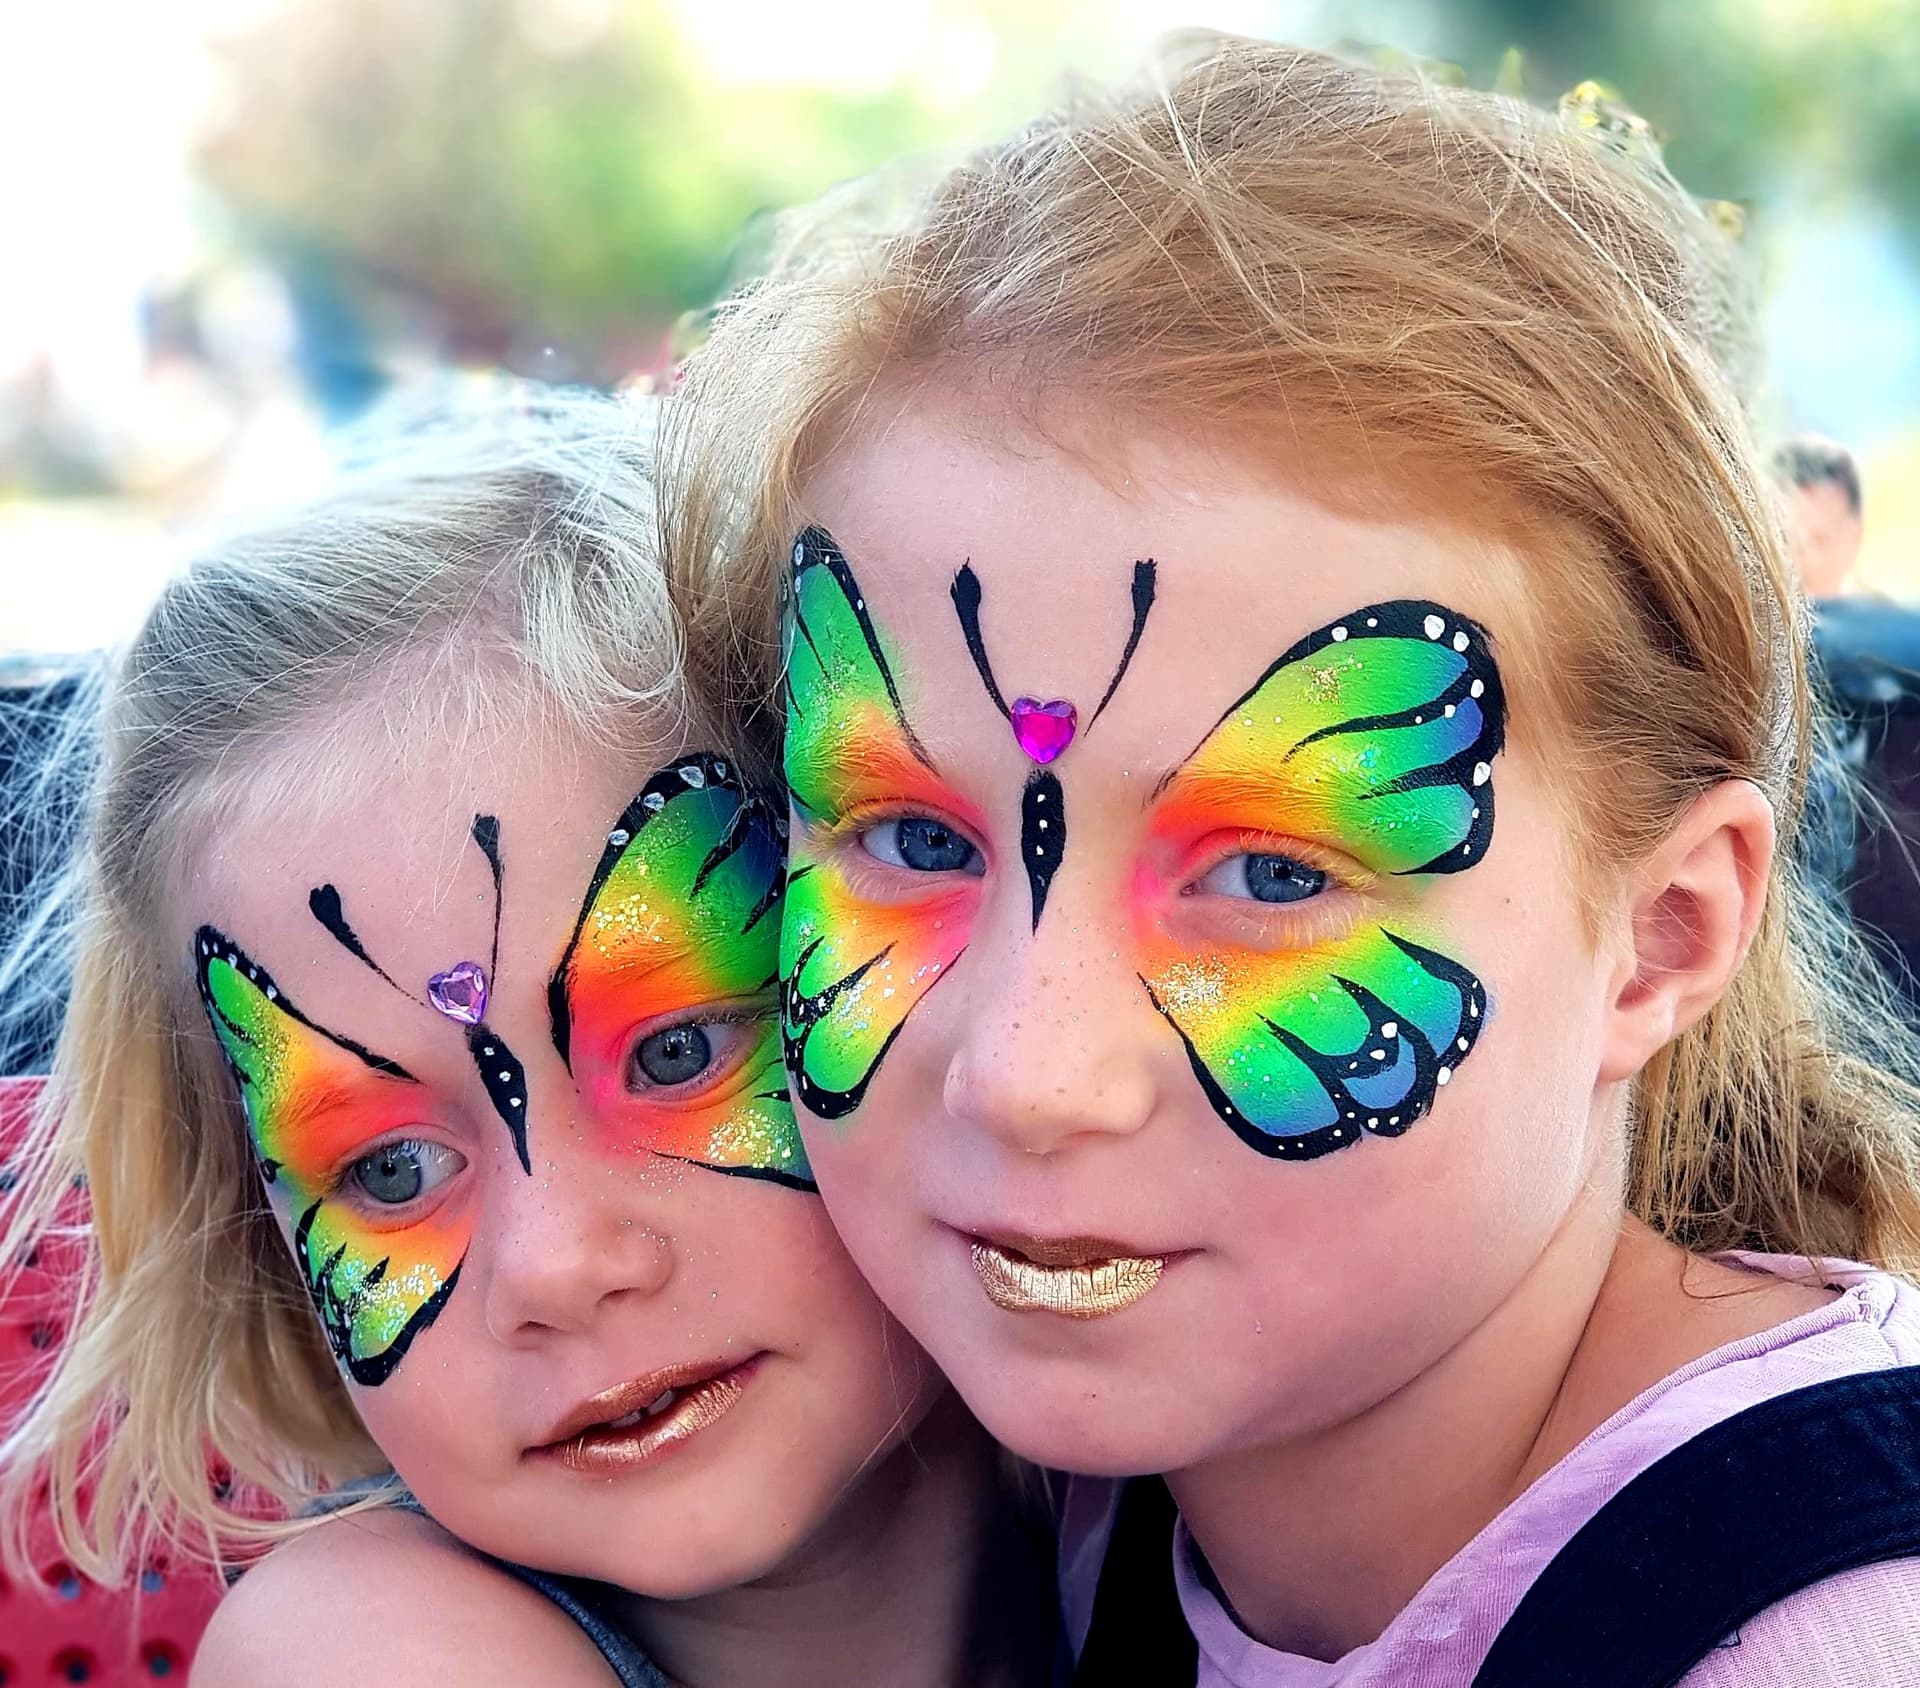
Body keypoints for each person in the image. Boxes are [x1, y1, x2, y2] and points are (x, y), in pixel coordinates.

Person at [667, 38, 1920, 1685]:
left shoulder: (1823, 1631)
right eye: (909, 839)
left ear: (1662, 939)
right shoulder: (1098, 1502)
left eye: (1268, 875)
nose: (1030, 1073)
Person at [0, 389, 1054, 1687]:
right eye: (389, 1172)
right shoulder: (361, 1650)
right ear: (263, 1253)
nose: (554, 1267)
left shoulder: (1213, 1495)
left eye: (678, 1052)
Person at [1774, 435, 1920, 1013]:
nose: (1806, 556)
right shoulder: (1755, 644)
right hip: (1793, 963)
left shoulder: (1894, 643)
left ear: (1854, 535)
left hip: (1882, 963)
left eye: (1822, 538)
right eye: (1790, 537)